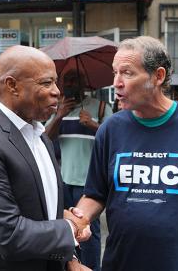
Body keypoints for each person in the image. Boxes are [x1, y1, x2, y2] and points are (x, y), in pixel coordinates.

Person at [73, 37, 178, 271]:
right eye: (114, 73)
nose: (116, 83)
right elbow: (95, 194)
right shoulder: (110, 129)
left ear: (158, 76)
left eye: (127, 73)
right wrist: (80, 219)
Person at [0, 46, 91, 270]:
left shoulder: (40, 136)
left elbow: (35, 207)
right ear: (12, 85)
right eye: (46, 83)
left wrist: (70, 257)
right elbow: (9, 233)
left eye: (55, 82)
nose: (57, 92)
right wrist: (71, 227)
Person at [44, 69, 107, 269]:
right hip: (63, 182)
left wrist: (93, 124)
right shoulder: (57, 109)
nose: (70, 83)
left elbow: (114, 139)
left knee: (89, 233)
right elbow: (45, 139)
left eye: (75, 80)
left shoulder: (101, 107)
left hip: (89, 184)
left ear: (84, 83)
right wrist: (60, 115)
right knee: (66, 230)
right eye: (67, 80)